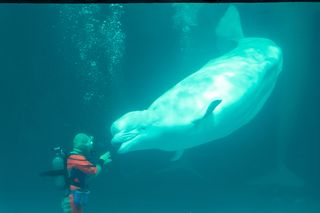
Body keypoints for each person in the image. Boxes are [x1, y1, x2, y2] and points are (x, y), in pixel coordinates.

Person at [61, 133, 112, 213]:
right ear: (84, 145)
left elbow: (87, 175)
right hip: (73, 196)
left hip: (74, 194)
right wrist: (101, 161)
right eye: (90, 143)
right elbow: (93, 171)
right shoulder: (77, 158)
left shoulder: (75, 157)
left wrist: (100, 164)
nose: (91, 146)